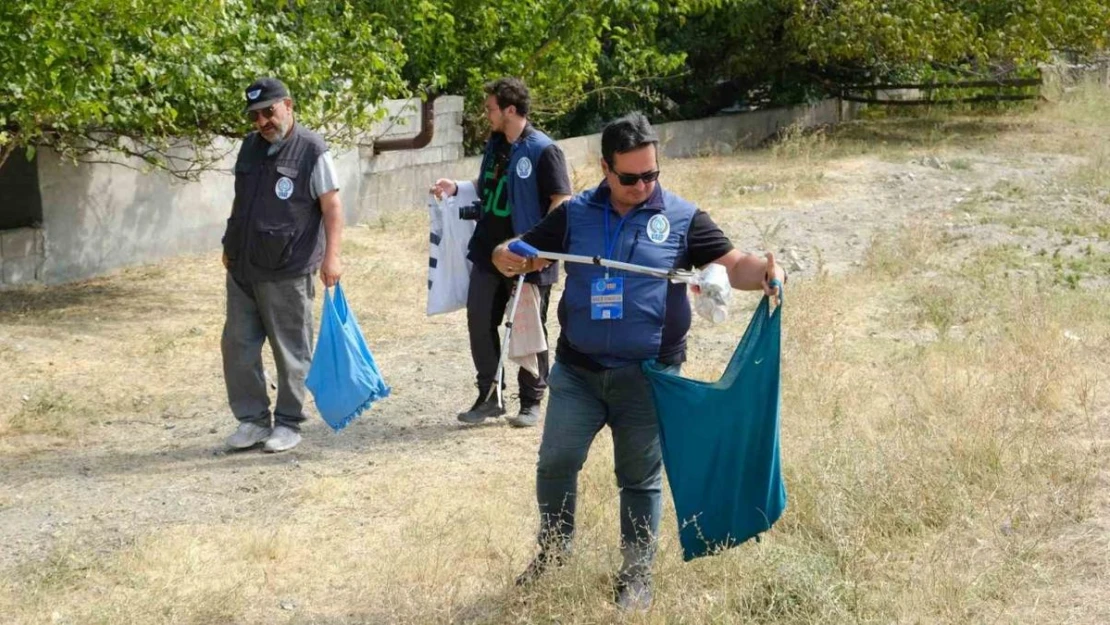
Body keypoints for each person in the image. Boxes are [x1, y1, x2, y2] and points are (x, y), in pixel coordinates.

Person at [492, 112, 785, 610]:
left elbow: (733, 263)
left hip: (647, 377)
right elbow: (517, 250)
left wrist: (766, 273)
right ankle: (553, 554)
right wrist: (507, 255)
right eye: (630, 177)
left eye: (652, 174)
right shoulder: (576, 213)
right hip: (579, 373)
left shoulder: (681, 217)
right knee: (556, 462)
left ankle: (635, 576)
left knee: (639, 478)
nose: (643, 185)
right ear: (605, 168)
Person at [431, 78, 572, 427]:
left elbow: (561, 201)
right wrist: (459, 187)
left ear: (511, 109)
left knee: (528, 325)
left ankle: (531, 401)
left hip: (528, 255)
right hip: (487, 250)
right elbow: (491, 185)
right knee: (479, 320)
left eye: (491, 108)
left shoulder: (544, 149)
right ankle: (489, 395)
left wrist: (539, 249)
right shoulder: (496, 144)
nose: (486, 114)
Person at [220, 77, 344, 453]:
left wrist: (332, 256)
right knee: (237, 346)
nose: (262, 122)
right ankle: (253, 421)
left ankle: (289, 423)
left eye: (268, 112)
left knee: (291, 349)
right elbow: (242, 202)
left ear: (287, 105)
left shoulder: (312, 149)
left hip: (289, 267)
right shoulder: (250, 148)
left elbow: (332, 207)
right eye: (255, 115)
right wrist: (229, 243)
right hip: (244, 266)